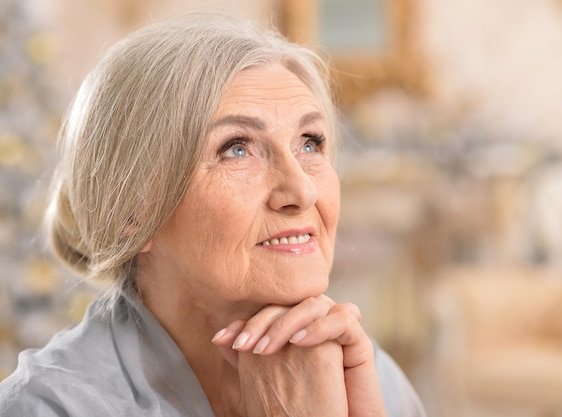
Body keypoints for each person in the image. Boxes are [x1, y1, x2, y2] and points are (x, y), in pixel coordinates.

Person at [0, 13, 427, 417]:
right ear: (131, 211)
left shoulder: (372, 376)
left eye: (310, 143)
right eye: (236, 148)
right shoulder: (49, 406)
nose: (303, 189)